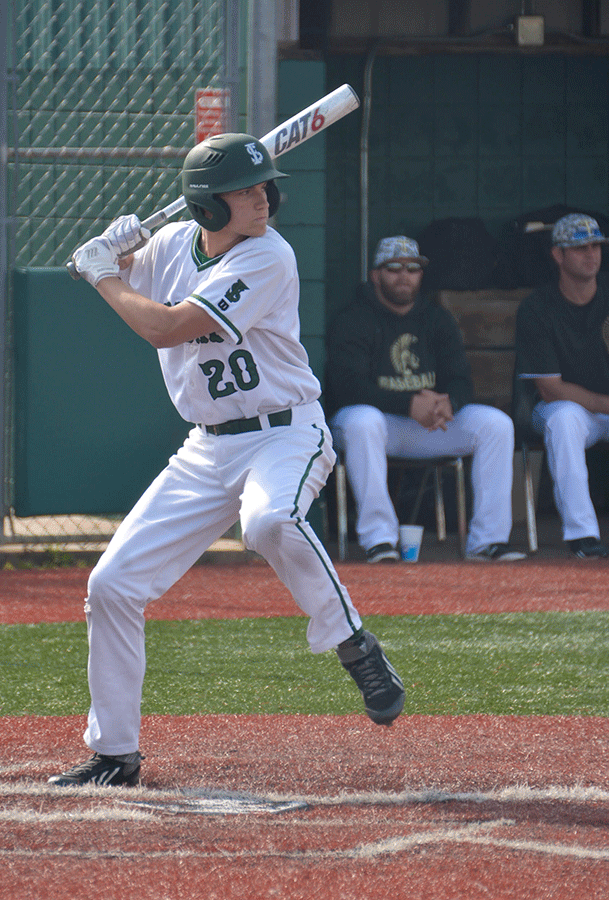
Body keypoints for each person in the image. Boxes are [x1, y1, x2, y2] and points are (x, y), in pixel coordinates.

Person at [49, 134, 405, 787]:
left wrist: (106, 274)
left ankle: (352, 640)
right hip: (207, 445)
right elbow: (103, 276)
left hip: (284, 434)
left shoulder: (269, 256)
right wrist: (111, 252)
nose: (261, 198)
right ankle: (115, 753)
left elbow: (164, 326)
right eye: (244, 190)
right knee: (112, 585)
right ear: (209, 206)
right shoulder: (169, 245)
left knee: (269, 524)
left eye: (264, 185)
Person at [326, 235, 526, 564]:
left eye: (412, 268)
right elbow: (348, 388)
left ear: (421, 275)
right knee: (363, 420)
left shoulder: (437, 319)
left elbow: (460, 378)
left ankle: (488, 541)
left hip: (427, 424)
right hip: (376, 427)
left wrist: (451, 403)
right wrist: (408, 405)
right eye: (393, 268)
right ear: (376, 275)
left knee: (495, 424)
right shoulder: (353, 320)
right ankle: (380, 540)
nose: (404, 276)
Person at [514, 213, 609, 559]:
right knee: (565, 418)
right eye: (580, 247)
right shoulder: (537, 307)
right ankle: (582, 534)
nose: (591, 254)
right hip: (559, 408)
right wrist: (603, 403)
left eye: (596, 246)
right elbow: (550, 388)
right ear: (558, 255)